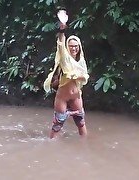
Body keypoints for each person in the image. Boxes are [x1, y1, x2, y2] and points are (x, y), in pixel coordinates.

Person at [43, 10, 89, 139]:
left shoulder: (81, 61)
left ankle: (85, 144)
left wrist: (75, 76)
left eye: (76, 46)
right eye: (71, 46)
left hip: (76, 96)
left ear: (79, 47)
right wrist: (62, 31)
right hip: (62, 97)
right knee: (57, 126)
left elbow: (85, 77)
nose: (74, 48)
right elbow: (60, 45)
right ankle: (50, 147)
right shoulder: (65, 59)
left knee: (81, 123)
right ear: (68, 47)